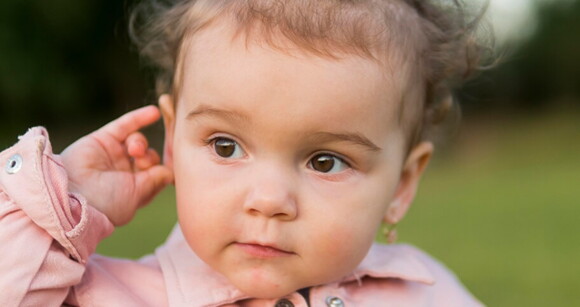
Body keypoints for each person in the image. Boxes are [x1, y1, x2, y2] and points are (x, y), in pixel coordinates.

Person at [0, 0, 489, 305]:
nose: (269, 199)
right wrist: (64, 204)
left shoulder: (427, 294)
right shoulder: (108, 295)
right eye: (226, 146)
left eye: (325, 161)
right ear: (172, 141)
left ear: (401, 185)